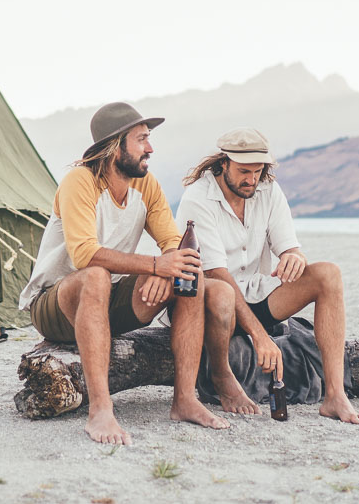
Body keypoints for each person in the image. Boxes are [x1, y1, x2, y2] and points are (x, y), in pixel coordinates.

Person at [18, 102, 237, 444]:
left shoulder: (146, 185)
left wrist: (166, 268)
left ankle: (185, 400)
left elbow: (172, 243)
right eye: (141, 140)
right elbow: (84, 254)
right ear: (113, 146)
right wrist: (153, 265)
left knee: (187, 273)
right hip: (55, 304)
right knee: (95, 275)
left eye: (148, 139)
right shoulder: (80, 181)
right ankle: (101, 411)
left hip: (108, 300)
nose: (150, 148)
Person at [176, 127, 359, 424]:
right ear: (223, 163)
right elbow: (217, 274)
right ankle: (222, 377)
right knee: (222, 292)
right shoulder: (197, 198)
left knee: (328, 274)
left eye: (257, 170)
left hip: (257, 293)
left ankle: (335, 395)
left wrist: (293, 257)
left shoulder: (268, 189)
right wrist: (261, 337)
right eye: (243, 171)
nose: (251, 179)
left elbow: (290, 247)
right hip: (213, 305)